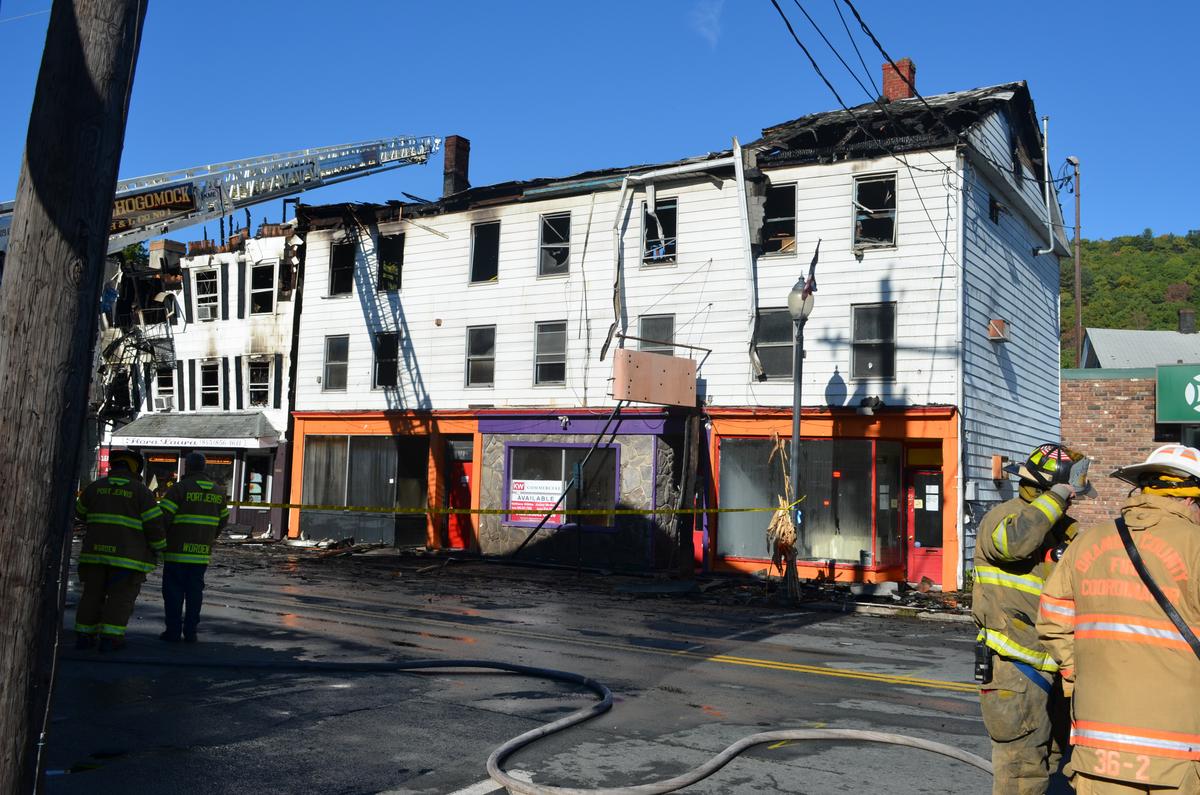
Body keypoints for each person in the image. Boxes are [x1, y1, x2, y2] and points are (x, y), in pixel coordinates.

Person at [1038, 444, 1200, 794]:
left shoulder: (1088, 542)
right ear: (1190, 499)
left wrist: (1077, 672)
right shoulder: (1196, 545)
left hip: (1097, 749)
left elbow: (1052, 617)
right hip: (1179, 752)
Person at [973, 442, 1093, 795]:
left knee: (1059, 764)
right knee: (1022, 774)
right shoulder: (1004, 519)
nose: (1072, 501)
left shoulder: (1063, 530)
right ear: (1051, 489)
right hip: (1016, 667)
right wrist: (1057, 496)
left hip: (1056, 669)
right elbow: (1014, 544)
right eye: (1068, 493)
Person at [74, 449, 166, 651]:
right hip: (127, 559)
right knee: (120, 598)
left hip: (94, 556)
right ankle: (111, 638)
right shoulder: (142, 493)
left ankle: (84, 635)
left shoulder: (95, 488)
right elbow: (154, 526)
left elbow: (80, 513)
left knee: (91, 595)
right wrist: (160, 549)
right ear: (135, 469)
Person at [158, 452, 229, 642]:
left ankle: (173, 631)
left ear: (187, 467)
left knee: (173, 593)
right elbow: (223, 520)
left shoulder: (179, 489)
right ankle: (191, 632)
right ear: (204, 467)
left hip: (176, 552)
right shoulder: (218, 492)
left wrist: (158, 542)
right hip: (201, 554)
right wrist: (209, 537)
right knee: (195, 593)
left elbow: (162, 518)